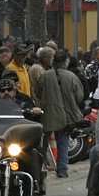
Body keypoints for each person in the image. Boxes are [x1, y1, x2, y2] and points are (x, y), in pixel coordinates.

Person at [34, 49, 84, 179]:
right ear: (66, 62)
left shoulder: (45, 76)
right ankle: (62, 170)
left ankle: (41, 168)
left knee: (43, 144)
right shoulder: (72, 77)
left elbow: (38, 93)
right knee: (63, 144)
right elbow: (79, 97)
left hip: (47, 114)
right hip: (65, 115)